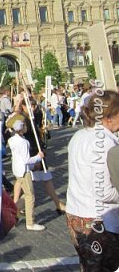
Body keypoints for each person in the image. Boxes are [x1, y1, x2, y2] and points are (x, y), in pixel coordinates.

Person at [65, 90, 119, 271]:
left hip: (76, 212)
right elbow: (103, 191)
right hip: (97, 220)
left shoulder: (79, 136)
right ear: (109, 117)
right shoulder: (105, 143)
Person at [7, 119, 46, 231]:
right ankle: (30, 222)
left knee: (28, 195)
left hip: (17, 169)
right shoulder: (23, 142)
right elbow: (26, 160)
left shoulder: (12, 140)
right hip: (23, 171)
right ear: (22, 128)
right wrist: (39, 156)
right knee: (30, 197)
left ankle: (12, 211)